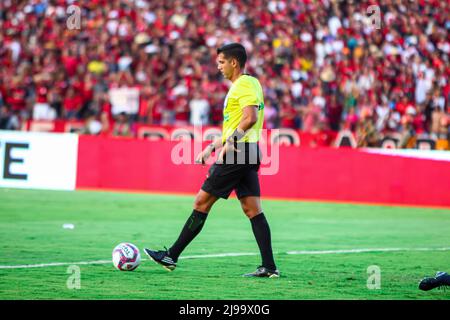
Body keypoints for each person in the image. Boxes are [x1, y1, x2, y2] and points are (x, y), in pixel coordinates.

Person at [144, 43, 279, 278]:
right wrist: (211, 147)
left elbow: (249, 118)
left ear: (234, 62)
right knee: (253, 209)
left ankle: (171, 256)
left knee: (201, 202)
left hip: (239, 152)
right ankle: (269, 267)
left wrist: (229, 144)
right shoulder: (252, 83)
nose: (218, 67)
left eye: (221, 62)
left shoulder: (244, 84)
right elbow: (236, 125)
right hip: (249, 151)